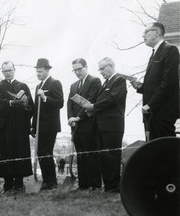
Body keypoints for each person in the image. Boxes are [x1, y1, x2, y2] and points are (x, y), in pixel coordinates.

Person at [83, 57, 127, 193]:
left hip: (112, 126)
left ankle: (114, 186)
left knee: (112, 156)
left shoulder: (119, 80)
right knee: (104, 157)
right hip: (102, 126)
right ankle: (108, 185)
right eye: (99, 69)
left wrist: (94, 106)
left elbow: (113, 99)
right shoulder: (105, 83)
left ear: (111, 66)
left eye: (102, 68)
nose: (100, 72)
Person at [131, 22, 180, 141]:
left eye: (146, 32)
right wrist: (140, 87)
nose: (143, 35)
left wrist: (150, 105)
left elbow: (169, 83)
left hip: (163, 112)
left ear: (157, 33)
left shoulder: (170, 50)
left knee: (166, 150)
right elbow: (156, 85)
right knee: (155, 152)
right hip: (152, 114)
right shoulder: (154, 54)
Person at [0, 61, 34, 193]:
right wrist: (11, 103)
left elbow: (30, 106)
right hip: (5, 127)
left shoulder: (23, 86)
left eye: (10, 70)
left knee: (20, 152)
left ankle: (19, 183)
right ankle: (8, 183)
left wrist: (25, 105)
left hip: (20, 126)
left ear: (14, 70)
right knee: (6, 154)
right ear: (2, 72)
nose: (8, 73)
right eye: (5, 71)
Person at [67, 58, 102, 191]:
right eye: (75, 70)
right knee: (80, 154)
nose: (77, 72)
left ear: (86, 67)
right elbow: (69, 103)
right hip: (76, 126)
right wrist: (71, 118)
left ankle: (95, 184)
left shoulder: (94, 81)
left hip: (89, 124)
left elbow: (91, 100)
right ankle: (83, 184)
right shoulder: (73, 85)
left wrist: (78, 117)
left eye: (79, 69)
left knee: (91, 154)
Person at [31, 58, 64, 190]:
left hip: (50, 125)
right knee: (40, 152)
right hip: (39, 126)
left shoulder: (55, 83)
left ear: (47, 70)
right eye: (37, 71)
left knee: (46, 152)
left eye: (40, 71)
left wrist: (45, 98)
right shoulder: (39, 86)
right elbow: (35, 108)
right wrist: (33, 126)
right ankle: (46, 180)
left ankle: (51, 182)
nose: (38, 74)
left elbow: (59, 103)